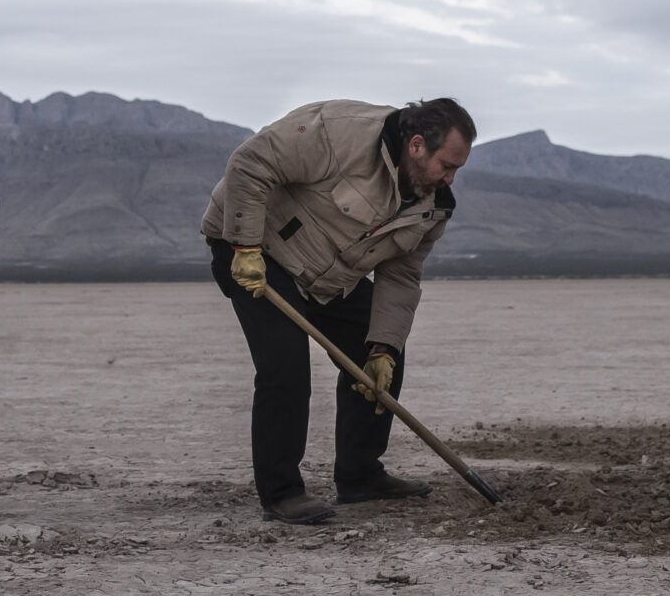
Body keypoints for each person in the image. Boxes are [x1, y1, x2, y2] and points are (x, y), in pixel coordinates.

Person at [200, 96, 475, 524]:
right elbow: (251, 162)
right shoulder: (339, 132)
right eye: (447, 165)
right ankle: (281, 492)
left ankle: (360, 476)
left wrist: (383, 347)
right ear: (417, 145)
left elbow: (400, 277)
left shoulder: (432, 208)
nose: (451, 178)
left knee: (380, 355)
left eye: (458, 169)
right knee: (285, 368)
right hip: (257, 251)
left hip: (326, 278)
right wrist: (244, 245)